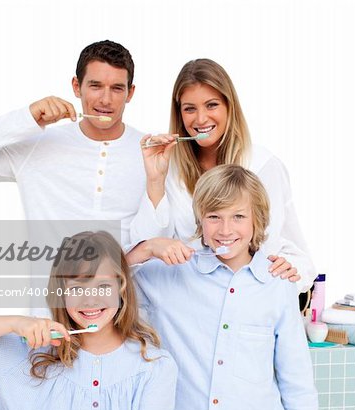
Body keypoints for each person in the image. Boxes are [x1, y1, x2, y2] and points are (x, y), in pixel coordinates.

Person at [127, 165, 318, 410]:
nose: (225, 230)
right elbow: (91, 288)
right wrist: (145, 248)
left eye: (238, 217)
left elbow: (298, 386)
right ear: (200, 220)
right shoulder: (170, 273)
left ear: (257, 221)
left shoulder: (278, 284)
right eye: (214, 217)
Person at [0, 231, 178, 410]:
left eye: (103, 286)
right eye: (77, 289)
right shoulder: (34, 348)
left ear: (122, 288)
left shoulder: (151, 365)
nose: (90, 300)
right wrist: (16, 323)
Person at [130, 58, 316, 293]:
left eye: (211, 105)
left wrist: (289, 270)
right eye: (190, 108)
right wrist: (156, 179)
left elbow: (283, 249)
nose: (200, 119)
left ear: (230, 106)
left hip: (246, 297)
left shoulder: (262, 165)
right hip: (186, 299)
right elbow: (146, 254)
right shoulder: (168, 166)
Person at [0, 40, 145, 246]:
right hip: (49, 278)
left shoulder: (150, 151)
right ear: (77, 86)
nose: (105, 99)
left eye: (117, 88)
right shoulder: (37, 144)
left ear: (130, 93)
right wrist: (27, 118)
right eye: (95, 86)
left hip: (123, 277)